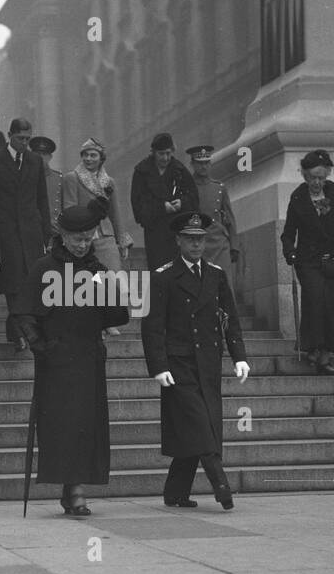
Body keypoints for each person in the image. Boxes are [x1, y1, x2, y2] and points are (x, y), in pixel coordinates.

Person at [18, 205, 130, 517]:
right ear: (63, 237)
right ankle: (72, 488)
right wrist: (43, 348)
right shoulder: (45, 268)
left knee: (85, 425)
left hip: (89, 358)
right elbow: (25, 313)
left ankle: (76, 487)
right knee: (63, 425)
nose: (82, 245)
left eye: (87, 239)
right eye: (76, 239)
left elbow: (119, 315)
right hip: (57, 361)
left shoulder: (98, 270)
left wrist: (108, 290)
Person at [142, 211, 250, 511]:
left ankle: (175, 492)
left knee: (196, 426)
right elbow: (152, 326)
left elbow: (229, 319)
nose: (196, 245)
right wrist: (159, 366)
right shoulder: (163, 276)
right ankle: (221, 485)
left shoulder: (215, 275)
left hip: (208, 362)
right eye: (190, 239)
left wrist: (239, 356)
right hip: (178, 365)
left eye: (200, 239)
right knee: (201, 426)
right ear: (178, 241)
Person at [0, 118, 53, 353]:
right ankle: (20, 333)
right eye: (20, 138)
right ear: (10, 135)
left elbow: (42, 200)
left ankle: (16, 330)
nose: (24, 143)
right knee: (12, 286)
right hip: (5, 234)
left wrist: (46, 235)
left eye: (28, 139)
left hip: (31, 235)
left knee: (29, 285)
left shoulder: (34, 162)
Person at [282, 154, 334, 373]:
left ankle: (324, 354)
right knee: (314, 300)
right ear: (304, 175)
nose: (316, 183)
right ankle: (312, 346)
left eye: (321, 178)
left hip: (332, 260)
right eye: (312, 177)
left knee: (332, 304)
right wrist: (289, 251)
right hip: (308, 261)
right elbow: (288, 233)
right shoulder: (297, 198)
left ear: (327, 175)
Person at [60, 137, 133, 272]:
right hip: (83, 237)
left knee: (113, 278)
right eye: (85, 155)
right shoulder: (71, 178)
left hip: (106, 236)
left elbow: (115, 214)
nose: (88, 159)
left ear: (101, 159)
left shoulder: (109, 182)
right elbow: (70, 210)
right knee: (88, 282)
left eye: (93, 155)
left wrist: (122, 242)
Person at [131, 132, 199, 269]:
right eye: (161, 154)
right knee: (159, 272)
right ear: (153, 153)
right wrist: (162, 208)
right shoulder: (142, 172)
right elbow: (137, 206)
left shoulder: (179, 170)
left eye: (168, 153)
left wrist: (182, 203)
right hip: (155, 233)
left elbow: (194, 197)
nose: (165, 158)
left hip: (178, 233)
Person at [186, 144, 238, 282]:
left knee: (225, 285)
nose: (204, 167)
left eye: (207, 162)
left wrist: (234, 246)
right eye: (199, 163)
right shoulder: (187, 187)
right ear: (192, 164)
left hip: (220, 244)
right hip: (198, 244)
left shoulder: (219, 188)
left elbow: (230, 219)